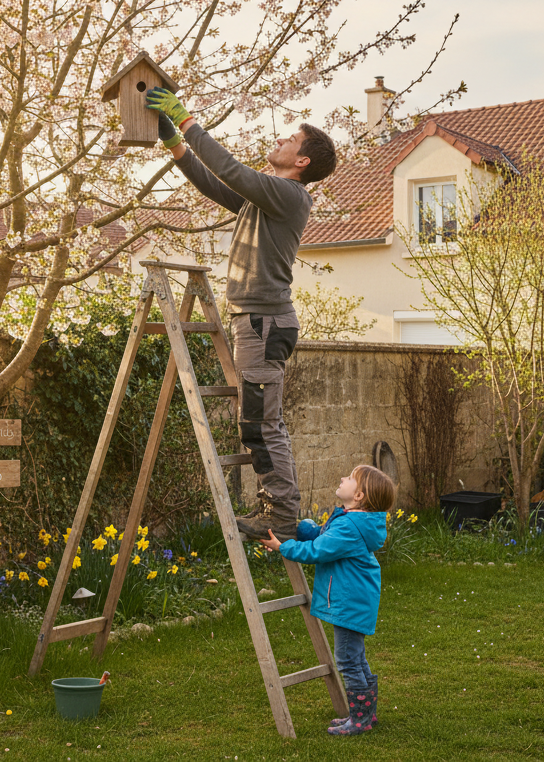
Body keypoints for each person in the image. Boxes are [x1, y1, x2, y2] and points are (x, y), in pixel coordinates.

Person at [146, 86, 338, 541]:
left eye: (290, 139)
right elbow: (217, 183)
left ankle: (282, 517)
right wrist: (175, 141)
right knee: (260, 421)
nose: (280, 141)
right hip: (257, 322)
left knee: (260, 423)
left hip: (263, 323)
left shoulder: (288, 196)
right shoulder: (268, 200)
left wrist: (185, 118)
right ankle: (280, 510)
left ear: (302, 161)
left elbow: (230, 168)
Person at [259, 464, 393, 736]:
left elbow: (318, 551)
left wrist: (282, 546)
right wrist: (309, 529)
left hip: (349, 603)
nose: (343, 477)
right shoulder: (353, 522)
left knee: (347, 659)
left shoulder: (349, 526)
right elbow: (325, 537)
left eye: (350, 478)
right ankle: (365, 715)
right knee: (356, 658)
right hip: (354, 600)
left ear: (359, 497)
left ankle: (360, 719)